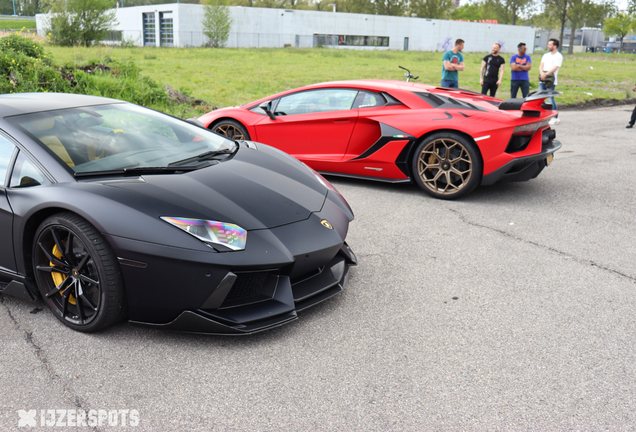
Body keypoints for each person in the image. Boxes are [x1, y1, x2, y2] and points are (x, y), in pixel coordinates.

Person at [539, 38, 563, 124]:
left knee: (550, 98)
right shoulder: (545, 55)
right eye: (548, 44)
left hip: (551, 80)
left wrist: (546, 74)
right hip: (543, 79)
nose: (548, 46)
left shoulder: (558, 56)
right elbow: (541, 65)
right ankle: (543, 116)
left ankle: (556, 117)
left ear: (555, 46)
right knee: (539, 97)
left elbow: (555, 67)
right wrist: (542, 73)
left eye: (550, 45)